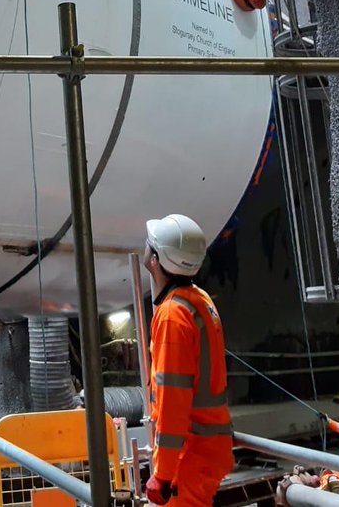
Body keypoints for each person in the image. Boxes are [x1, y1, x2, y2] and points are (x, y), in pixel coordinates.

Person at [143, 214, 235, 506]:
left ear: (156, 261)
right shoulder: (198, 299)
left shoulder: (173, 315)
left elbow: (173, 399)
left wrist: (164, 474)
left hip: (189, 457)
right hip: (206, 448)